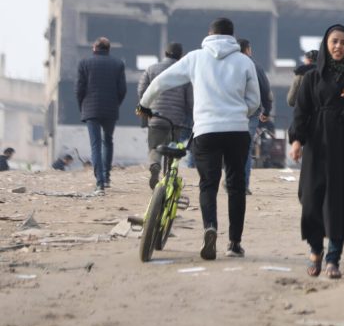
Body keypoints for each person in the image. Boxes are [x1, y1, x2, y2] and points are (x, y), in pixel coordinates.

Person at [138, 17, 260, 260]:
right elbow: (254, 101)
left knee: (208, 184)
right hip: (236, 131)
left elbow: (161, 81)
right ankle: (234, 244)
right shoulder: (244, 62)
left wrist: (144, 103)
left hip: (206, 131)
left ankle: (210, 228)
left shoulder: (195, 58)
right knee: (236, 187)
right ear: (232, 37)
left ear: (209, 33)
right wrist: (238, 113)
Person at [288, 25, 344, 280]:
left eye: (343, 43)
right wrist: (297, 141)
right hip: (317, 145)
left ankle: (332, 259)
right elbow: (300, 112)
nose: (339, 47)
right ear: (326, 45)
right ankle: (315, 250)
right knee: (311, 200)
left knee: (337, 204)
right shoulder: (311, 78)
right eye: (334, 42)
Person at [137, 42, 194, 190]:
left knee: (155, 147)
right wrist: (191, 116)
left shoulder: (151, 69)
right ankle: (168, 177)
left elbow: (142, 90)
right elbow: (190, 100)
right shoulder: (185, 73)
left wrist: (147, 108)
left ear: (165, 53)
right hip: (176, 120)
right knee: (172, 149)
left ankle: (155, 165)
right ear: (181, 55)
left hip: (156, 117)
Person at [76, 37, 127, 192]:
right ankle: (107, 176)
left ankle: (100, 181)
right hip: (110, 109)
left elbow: (79, 89)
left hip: (90, 109)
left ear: (94, 48)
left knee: (95, 145)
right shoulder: (118, 64)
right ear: (108, 48)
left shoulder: (84, 63)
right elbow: (122, 89)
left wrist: (82, 107)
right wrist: (115, 103)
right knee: (108, 141)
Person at [238, 39, 273, 195]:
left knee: (228, 147)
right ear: (248, 49)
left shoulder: (227, 65)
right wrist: (266, 111)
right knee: (245, 147)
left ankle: (230, 179)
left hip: (230, 112)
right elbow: (265, 90)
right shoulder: (254, 66)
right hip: (251, 113)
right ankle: (242, 185)